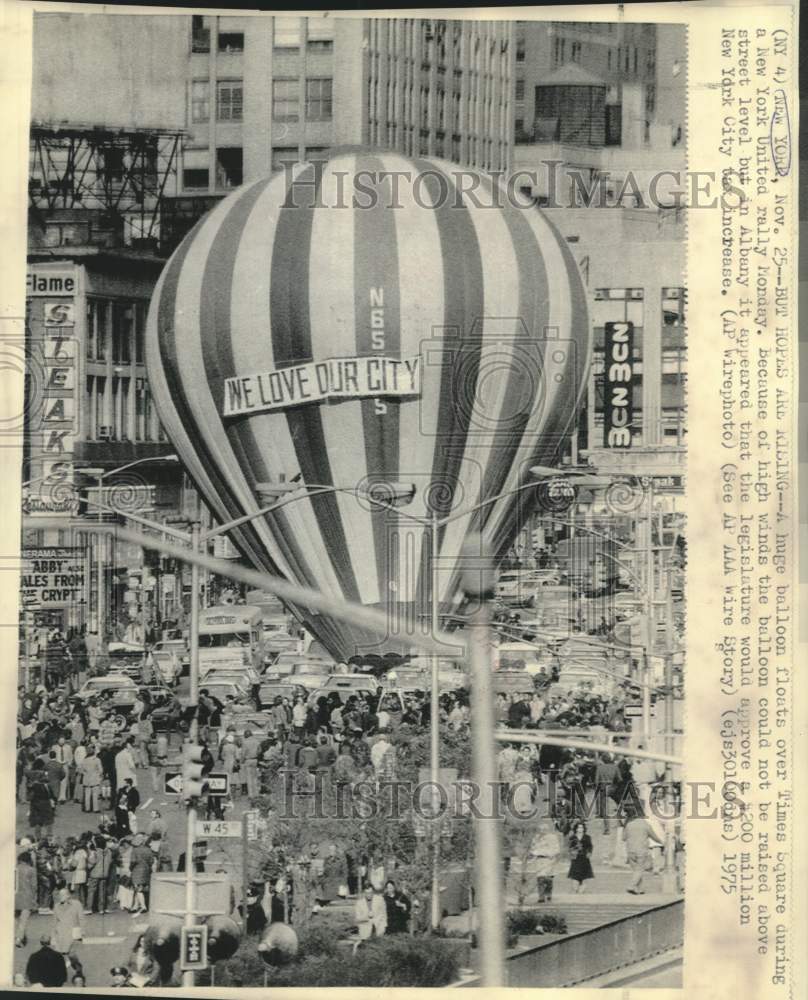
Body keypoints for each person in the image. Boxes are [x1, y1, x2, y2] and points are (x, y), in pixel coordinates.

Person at [624, 806, 664, 894]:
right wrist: (662, 842)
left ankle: (640, 889)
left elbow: (624, 838)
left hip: (630, 850)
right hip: (641, 850)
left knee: (636, 870)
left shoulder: (629, 825)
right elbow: (653, 836)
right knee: (639, 869)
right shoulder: (645, 825)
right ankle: (631, 886)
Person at [530, 820, 562, 902]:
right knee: (540, 878)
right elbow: (533, 849)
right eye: (541, 829)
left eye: (544, 829)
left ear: (548, 830)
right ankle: (541, 897)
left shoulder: (553, 837)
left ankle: (548, 894)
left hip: (549, 860)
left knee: (548, 879)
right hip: (540, 860)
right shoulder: (536, 838)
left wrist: (551, 854)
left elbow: (557, 849)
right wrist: (536, 853)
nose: (542, 831)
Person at [51, 884, 83, 957]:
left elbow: (81, 918)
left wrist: (82, 931)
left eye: (63, 895)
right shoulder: (56, 906)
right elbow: (54, 922)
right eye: (60, 895)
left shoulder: (77, 904)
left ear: (68, 896)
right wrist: (52, 935)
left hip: (73, 930)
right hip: (61, 932)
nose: (60, 897)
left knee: (71, 953)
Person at [353, 884, 386, 952]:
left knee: (379, 948)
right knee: (365, 948)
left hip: (378, 927)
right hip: (365, 928)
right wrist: (366, 916)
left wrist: (383, 926)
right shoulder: (359, 903)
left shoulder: (380, 899)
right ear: (364, 893)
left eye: (370, 893)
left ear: (373, 892)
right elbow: (357, 919)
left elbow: (383, 914)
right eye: (367, 893)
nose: (369, 895)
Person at [15, 847, 37, 947]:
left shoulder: (14, 869)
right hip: (27, 897)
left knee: (16, 919)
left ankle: (21, 937)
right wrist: (34, 900)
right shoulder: (31, 870)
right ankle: (19, 939)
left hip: (15, 897)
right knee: (23, 920)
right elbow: (34, 886)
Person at [567, 821, 594, 893]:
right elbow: (570, 847)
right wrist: (572, 852)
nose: (580, 829)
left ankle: (582, 889)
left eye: (582, 827)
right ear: (576, 828)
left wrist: (589, 853)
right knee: (575, 875)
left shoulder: (587, 837)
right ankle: (576, 888)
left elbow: (590, 846)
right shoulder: (572, 837)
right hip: (576, 858)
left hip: (584, 858)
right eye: (579, 827)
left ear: (584, 829)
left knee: (585, 875)